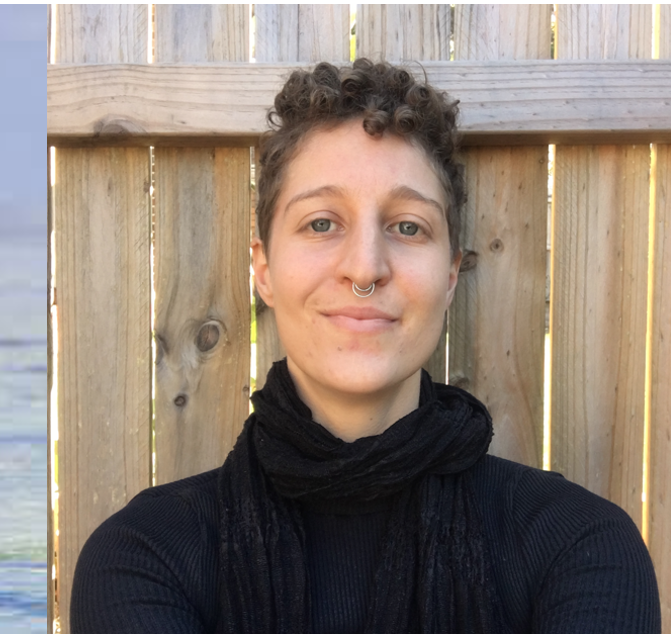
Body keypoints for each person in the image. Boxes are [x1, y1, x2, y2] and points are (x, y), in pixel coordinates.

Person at [69, 60, 660, 632]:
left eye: (408, 226)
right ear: (265, 269)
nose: (365, 268)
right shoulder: (144, 559)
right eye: (321, 223)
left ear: (450, 275)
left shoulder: (580, 547)